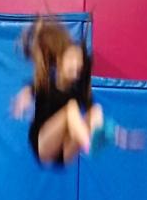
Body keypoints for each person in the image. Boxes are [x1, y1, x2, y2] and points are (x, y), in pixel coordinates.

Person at [13, 17, 104, 165]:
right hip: (43, 144)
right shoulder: (47, 82)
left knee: (96, 110)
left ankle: (95, 140)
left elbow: (92, 114)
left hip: (64, 153)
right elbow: (31, 87)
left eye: (79, 62)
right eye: (72, 60)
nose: (76, 65)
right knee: (71, 109)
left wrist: (103, 126)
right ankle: (89, 144)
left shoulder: (78, 90)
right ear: (60, 60)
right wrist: (25, 93)